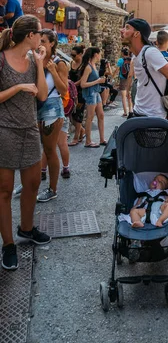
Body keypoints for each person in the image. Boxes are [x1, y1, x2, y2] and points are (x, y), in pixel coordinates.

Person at [0, 16, 50, 270]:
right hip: (4, 131)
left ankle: (26, 229)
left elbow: (42, 94)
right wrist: (18, 87)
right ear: (29, 35)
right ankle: (8, 245)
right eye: (39, 32)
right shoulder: (1, 59)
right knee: (5, 191)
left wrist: (40, 64)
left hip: (29, 130)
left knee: (31, 184)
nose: (42, 37)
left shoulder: (33, 60)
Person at [120, 18, 168, 128]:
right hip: (139, 113)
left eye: (127, 28)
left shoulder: (150, 53)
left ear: (137, 34)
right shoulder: (136, 55)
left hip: (154, 118)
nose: (122, 30)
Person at [36, 29, 69, 203]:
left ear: (52, 44)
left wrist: (53, 72)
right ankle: (30, 184)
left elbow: (64, 90)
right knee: (34, 150)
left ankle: (52, 189)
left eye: (43, 41)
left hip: (52, 108)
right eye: (38, 40)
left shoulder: (59, 63)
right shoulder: (35, 59)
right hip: (35, 107)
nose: (39, 43)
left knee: (49, 150)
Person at [79, 47, 106, 148]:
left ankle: (102, 139)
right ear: (96, 54)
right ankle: (88, 141)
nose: (100, 56)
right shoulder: (88, 67)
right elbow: (83, 84)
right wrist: (98, 81)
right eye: (99, 54)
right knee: (90, 117)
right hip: (91, 93)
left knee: (101, 115)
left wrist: (99, 80)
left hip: (96, 92)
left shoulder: (94, 65)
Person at [68, 45, 86, 146]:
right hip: (71, 93)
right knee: (71, 115)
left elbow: (83, 79)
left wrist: (73, 85)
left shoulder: (84, 66)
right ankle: (82, 131)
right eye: (71, 55)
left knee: (78, 114)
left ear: (80, 54)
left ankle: (76, 137)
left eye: (74, 55)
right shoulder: (71, 63)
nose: (73, 57)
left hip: (80, 94)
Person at [114, 48, 133, 117]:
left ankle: (125, 112)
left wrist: (113, 77)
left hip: (123, 79)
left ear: (122, 53)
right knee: (129, 96)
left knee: (123, 97)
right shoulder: (131, 60)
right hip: (130, 79)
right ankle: (130, 110)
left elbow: (117, 70)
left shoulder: (121, 60)